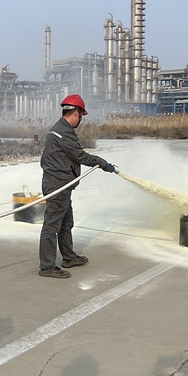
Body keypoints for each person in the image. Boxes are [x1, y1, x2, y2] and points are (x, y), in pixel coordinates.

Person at [38, 94, 118, 279]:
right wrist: (102, 163)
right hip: (57, 186)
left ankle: (69, 257)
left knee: (66, 223)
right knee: (51, 226)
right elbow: (79, 156)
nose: (80, 120)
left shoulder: (61, 129)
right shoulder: (63, 132)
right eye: (81, 116)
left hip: (62, 184)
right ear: (75, 113)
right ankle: (47, 266)